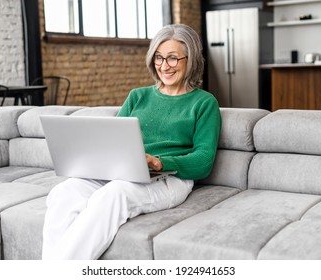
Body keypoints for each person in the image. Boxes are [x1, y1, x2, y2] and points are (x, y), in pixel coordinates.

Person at [42, 24, 221, 260]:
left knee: (114, 194)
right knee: (64, 191)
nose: (164, 66)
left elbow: (204, 160)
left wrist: (159, 162)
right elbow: (113, 140)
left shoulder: (204, 103)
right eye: (159, 57)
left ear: (191, 59)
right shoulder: (138, 96)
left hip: (170, 179)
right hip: (123, 172)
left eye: (173, 58)